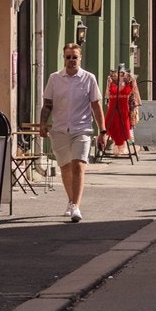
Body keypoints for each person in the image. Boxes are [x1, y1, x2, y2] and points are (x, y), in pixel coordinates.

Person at [39, 44, 106, 222]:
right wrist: (43, 124)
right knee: (65, 168)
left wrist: (102, 131)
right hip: (60, 128)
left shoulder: (89, 78)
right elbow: (47, 104)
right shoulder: (54, 79)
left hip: (81, 128)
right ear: (64, 58)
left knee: (78, 165)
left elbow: (96, 106)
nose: (71, 60)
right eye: (68, 57)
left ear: (80, 58)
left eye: (74, 57)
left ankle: (76, 206)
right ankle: (70, 200)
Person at [103, 65, 140, 158]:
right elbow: (107, 94)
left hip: (124, 109)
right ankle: (108, 147)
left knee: (123, 128)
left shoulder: (130, 79)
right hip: (112, 108)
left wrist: (135, 105)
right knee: (111, 127)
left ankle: (121, 148)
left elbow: (135, 94)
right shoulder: (111, 79)